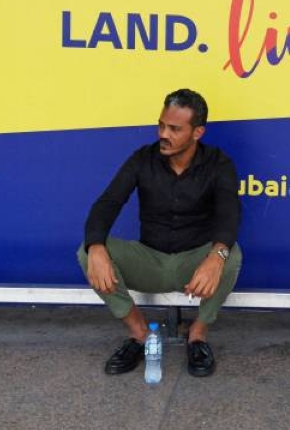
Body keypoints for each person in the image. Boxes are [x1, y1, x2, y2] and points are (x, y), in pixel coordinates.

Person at [78, 88, 242, 378]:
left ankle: (198, 335)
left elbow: (230, 213)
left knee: (230, 253)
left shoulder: (219, 163)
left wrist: (216, 257)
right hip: (150, 261)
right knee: (87, 250)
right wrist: (97, 247)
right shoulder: (143, 159)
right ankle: (140, 335)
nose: (163, 134)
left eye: (175, 129)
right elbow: (108, 203)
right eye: (162, 125)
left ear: (197, 132)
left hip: (195, 264)